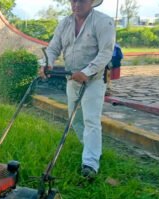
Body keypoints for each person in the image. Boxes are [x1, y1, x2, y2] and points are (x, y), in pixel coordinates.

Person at [39, 0, 115, 179]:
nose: (76, 4)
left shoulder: (104, 22)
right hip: (71, 79)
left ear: (91, 2)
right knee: (75, 120)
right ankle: (91, 148)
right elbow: (53, 48)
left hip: (94, 80)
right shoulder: (65, 23)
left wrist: (87, 72)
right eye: (73, 0)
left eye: (81, 0)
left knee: (91, 120)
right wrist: (46, 64)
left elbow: (106, 52)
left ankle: (90, 163)